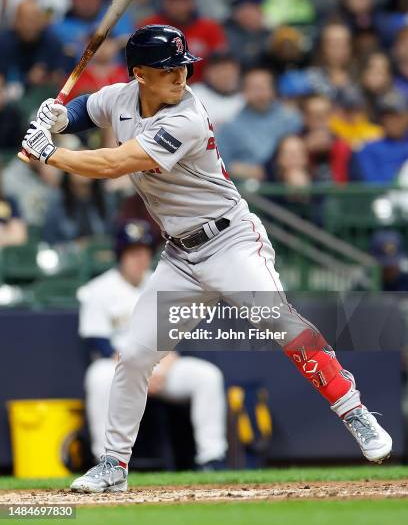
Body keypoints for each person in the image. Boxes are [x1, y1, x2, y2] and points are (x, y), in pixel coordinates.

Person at [21, 24, 392, 493]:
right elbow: (86, 108)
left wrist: (51, 153)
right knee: (134, 355)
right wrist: (59, 118)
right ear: (139, 74)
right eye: (168, 68)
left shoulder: (188, 117)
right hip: (180, 255)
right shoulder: (120, 96)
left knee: (280, 323)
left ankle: (353, 411)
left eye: (183, 66)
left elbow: (114, 163)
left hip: (231, 240)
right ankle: (114, 465)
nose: (180, 75)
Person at [78, 219, 227, 467]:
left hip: (160, 366)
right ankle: (103, 459)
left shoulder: (163, 284)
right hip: (119, 367)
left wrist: (162, 366)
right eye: (133, 252)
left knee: (207, 376)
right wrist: (136, 369)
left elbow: (175, 334)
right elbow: (99, 344)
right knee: (97, 376)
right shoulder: (99, 289)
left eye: (145, 252)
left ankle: (212, 458)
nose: (140, 259)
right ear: (120, 255)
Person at [217, 68, 302, 181]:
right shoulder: (230, 126)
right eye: (254, 88)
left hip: (286, 182)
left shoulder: (290, 118)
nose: (260, 93)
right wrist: (236, 169)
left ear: (273, 90)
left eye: (264, 87)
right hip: (248, 187)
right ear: (243, 91)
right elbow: (218, 163)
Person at [139, 0, 226, 82]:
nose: (177, 4)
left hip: (201, 89)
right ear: (165, 1)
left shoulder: (210, 28)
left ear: (192, 2)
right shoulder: (149, 26)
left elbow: (221, 61)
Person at [354, 91, 408, 183]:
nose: (392, 121)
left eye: (397, 116)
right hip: (385, 196)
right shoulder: (369, 149)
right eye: (387, 117)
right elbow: (374, 185)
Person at [191, 51, 244, 129]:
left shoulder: (245, 99)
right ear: (208, 73)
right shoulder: (195, 94)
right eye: (218, 70)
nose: (224, 75)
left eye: (228, 69)